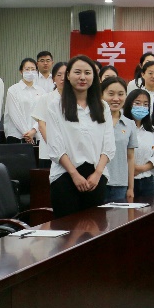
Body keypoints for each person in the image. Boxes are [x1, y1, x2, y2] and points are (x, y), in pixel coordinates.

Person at [45, 55, 115, 218]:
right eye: (77, 72)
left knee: (95, 227)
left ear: (94, 77)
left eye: (87, 73)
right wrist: (74, 174)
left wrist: (97, 174)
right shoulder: (56, 106)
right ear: (68, 75)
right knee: (67, 229)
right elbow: (55, 146)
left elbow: (109, 145)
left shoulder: (103, 106)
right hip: (65, 176)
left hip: (96, 177)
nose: (83, 77)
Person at [100, 77, 137, 202]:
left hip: (120, 185)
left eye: (121, 94)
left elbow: (130, 157)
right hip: (97, 181)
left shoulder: (130, 124)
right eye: (111, 94)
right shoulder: (94, 121)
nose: (116, 99)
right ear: (101, 95)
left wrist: (130, 187)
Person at [125, 88, 154, 199]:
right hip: (125, 181)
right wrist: (130, 169)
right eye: (137, 103)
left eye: (145, 104)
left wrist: (141, 168)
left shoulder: (153, 131)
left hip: (147, 182)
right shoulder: (122, 127)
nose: (141, 107)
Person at [32, 61, 66, 169]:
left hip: (70, 152)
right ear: (53, 79)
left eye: (66, 74)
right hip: (48, 151)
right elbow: (42, 126)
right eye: (59, 75)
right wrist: (54, 146)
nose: (63, 78)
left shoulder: (77, 100)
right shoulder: (45, 98)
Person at [4, 58, 43, 144]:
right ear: (21, 71)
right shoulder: (13, 90)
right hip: (16, 136)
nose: (30, 72)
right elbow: (15, 114)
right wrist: (27, 134)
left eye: (33, 69)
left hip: (36, 136)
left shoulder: (41, 91)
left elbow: (43, 114)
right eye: (27, 69)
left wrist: (33, 130)